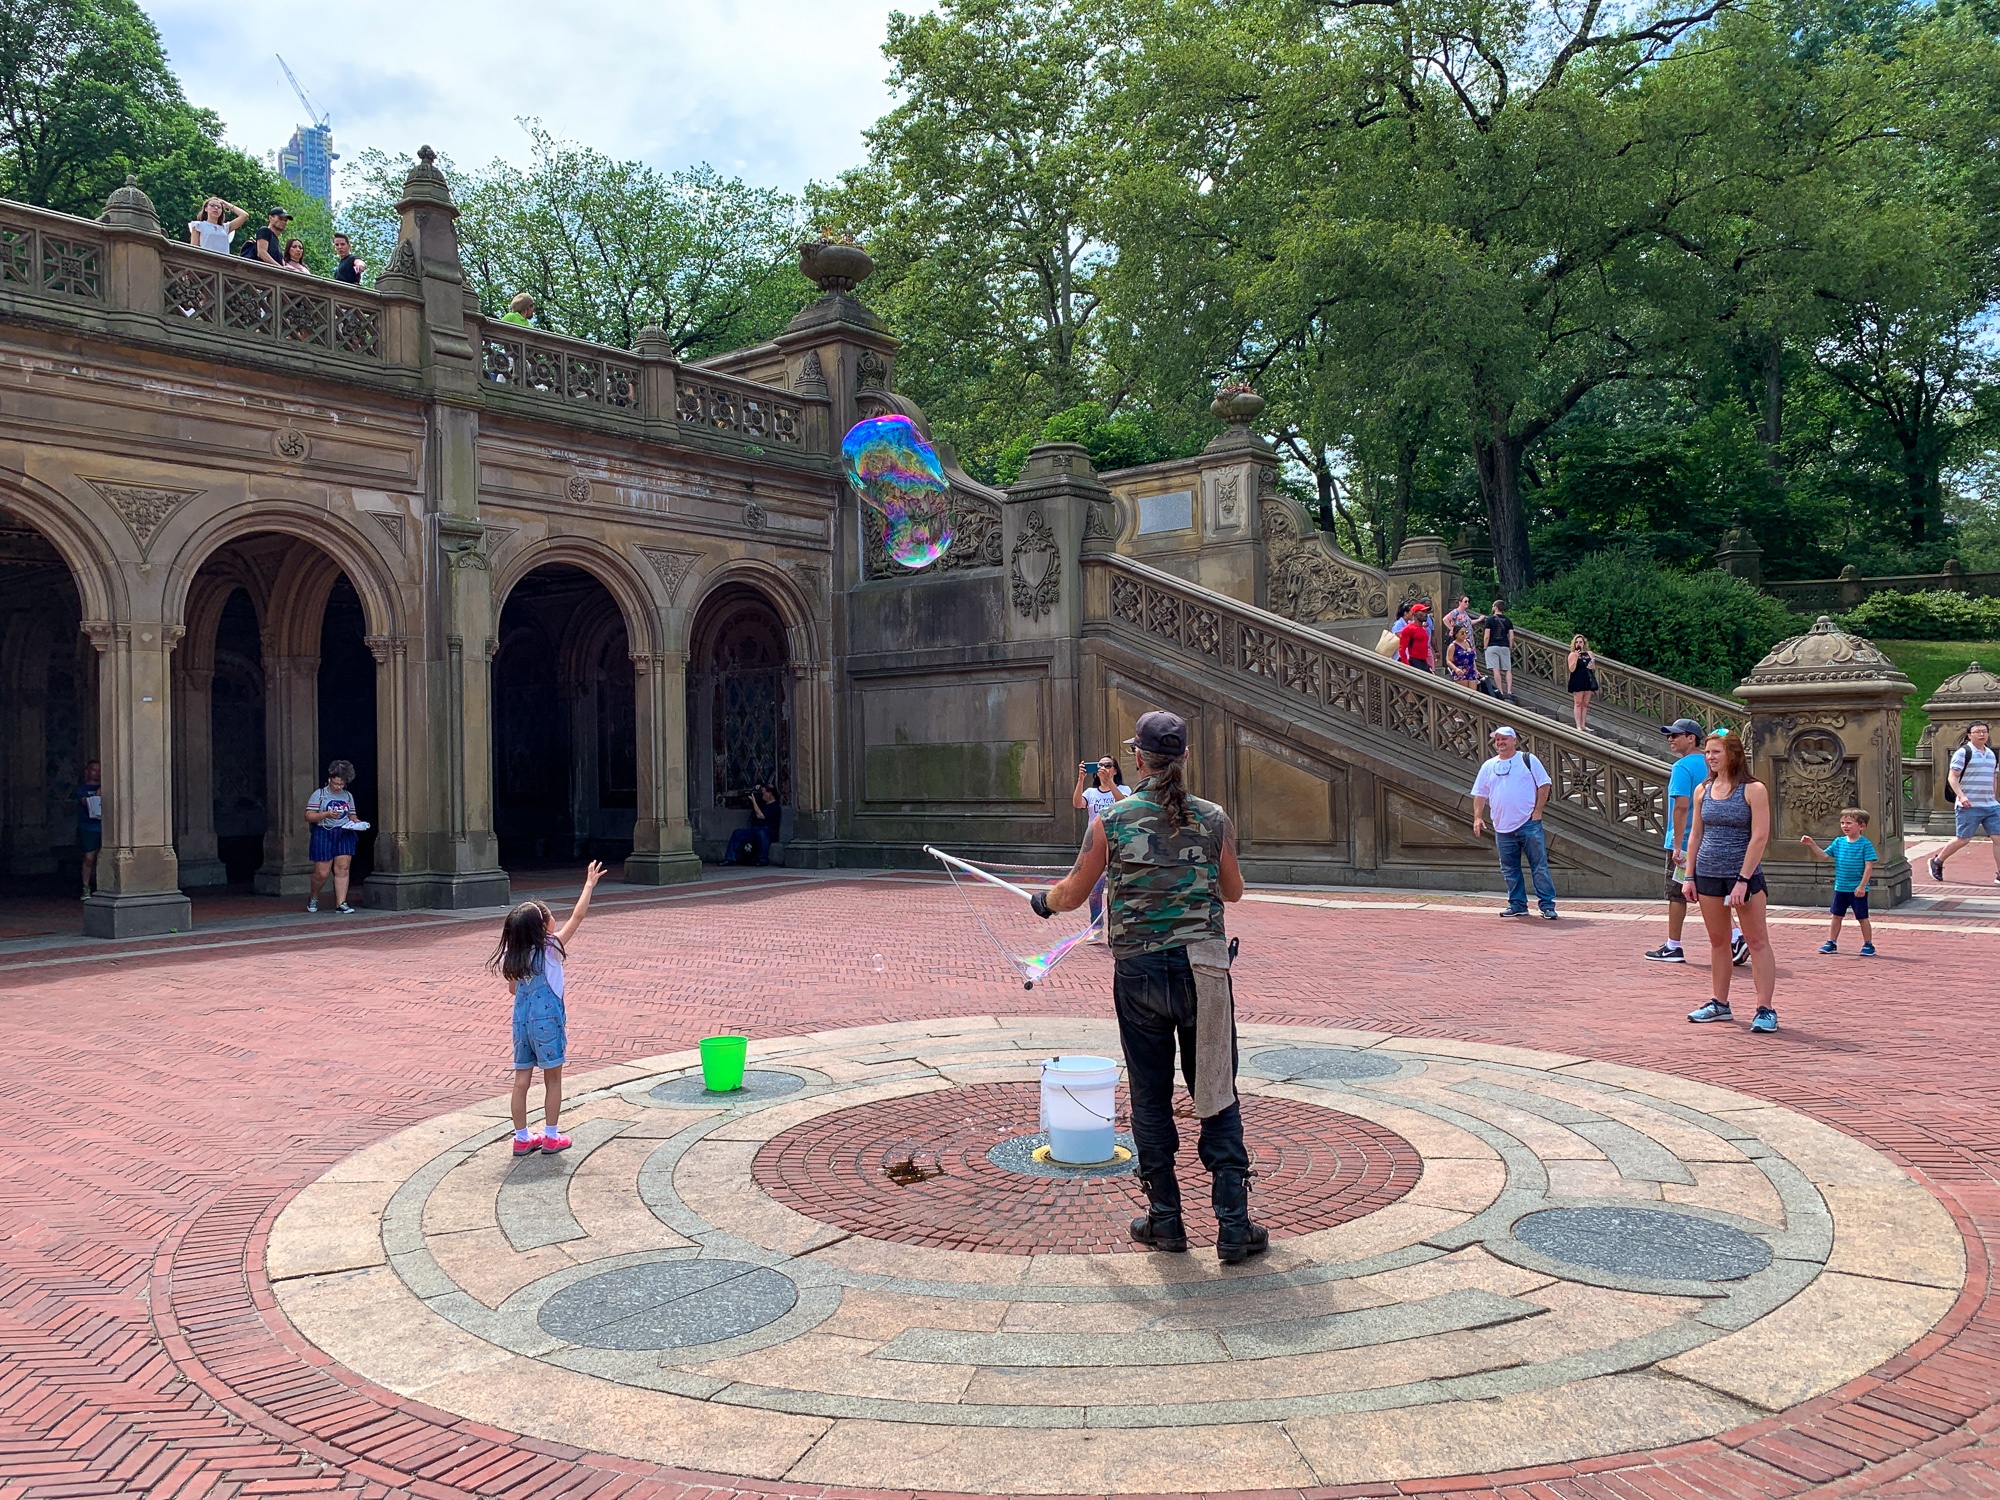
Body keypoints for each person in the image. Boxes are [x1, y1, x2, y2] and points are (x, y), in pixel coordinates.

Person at [1032, 711, 1262, 1264]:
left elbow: (1072, 893)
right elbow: (1233, 892)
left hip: (1138, 972)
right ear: (1184, 757)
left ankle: (1166, 1220)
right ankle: (1233, 1224)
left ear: (1138, 758)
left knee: (1150, 1098)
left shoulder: (1112, 819)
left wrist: (1043, 900)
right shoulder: (1213, 818)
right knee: (1215, 1090)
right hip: (1204, 971)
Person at [491, 861, 605, 1157]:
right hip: (547, 1023)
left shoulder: (512, 955)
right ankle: (552, 1136)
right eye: (551, 916)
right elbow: (578, 917)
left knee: (522, 1081)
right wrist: (589, 885)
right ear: (542, 927)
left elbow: (513, 989)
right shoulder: (550, 948)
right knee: (552, 1079)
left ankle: (521, 1137)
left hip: (521, 1024)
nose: (555, 919)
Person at [1684, 731, 1779, 1032]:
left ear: (1733, 754)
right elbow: (1696, 834)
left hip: (1743, 875)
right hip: (1708, 873)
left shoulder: (1753, 790)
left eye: (1716, 752)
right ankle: (1719, 1003)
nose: (1710, 757)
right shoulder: (1703, 790)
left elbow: (1759, 836)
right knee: (1718, 941)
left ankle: (1765, 1008)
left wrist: (1743, 879)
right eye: (1708, 753)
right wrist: (1689, 876)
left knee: (1756, 940)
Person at [1645, 720, 1746, 967]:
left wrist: (1677, 844)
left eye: (1676, 735)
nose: (1671, 740)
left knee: (1678, 893)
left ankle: (1674, 945)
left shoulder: (1682, 767)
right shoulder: (1714, 765)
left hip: (1688, 838)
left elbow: (1680, 806)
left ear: (1692, 738)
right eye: (1669, 736)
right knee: (1709, 892)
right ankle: (1735, 936)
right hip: (1712, 838)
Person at [1471, 726, 1556, 919]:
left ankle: (1547, 905)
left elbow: (1544, 784)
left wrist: (1537, 811)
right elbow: (1480, 794)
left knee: (1539, 866)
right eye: (1497, 740)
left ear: (1514, 740)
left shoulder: (1527, 759)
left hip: (1528, 823)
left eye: (1504, 739)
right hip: (1501, 826)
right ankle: (1517, 904)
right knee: (1509, 868)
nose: (1500, 743)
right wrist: (1477, 817)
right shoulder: (1488, 766)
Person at [1929, 722, 1998, 885]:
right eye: (1978, 732)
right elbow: (1952, 777)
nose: (1982, 735)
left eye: (1984, 732)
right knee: (1963, 839)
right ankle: (1937, 861)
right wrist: (1961, 796)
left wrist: (1994, 797)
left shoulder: (1991, 754)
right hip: (1969, 805)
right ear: (1969, 735)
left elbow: (1994, 776)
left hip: (1991, 805)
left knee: (1998, 838)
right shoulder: (1963, 753)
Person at [1803, 809, 1877, 957]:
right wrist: (1812, 844)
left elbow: (1869, 866)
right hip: (1841, 887)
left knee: (1862, 917)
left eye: (1849, 823)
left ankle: (1868, 944)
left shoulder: (1865, 844)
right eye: (1842, 823)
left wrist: (1862, 885)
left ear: (1861, 826)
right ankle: (1832, 942)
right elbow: (1824, 855)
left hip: (1857, 888)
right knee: (1836, 916)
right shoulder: (1838, 842)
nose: (1845, 826)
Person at [1073, 755, 1130, 938]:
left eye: (1108, 765)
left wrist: (1110, 783)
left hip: (1118, 845)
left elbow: (1124, 805)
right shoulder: (1091, 792)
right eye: (1100, 765)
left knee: (1121, 890)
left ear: (1115, 769)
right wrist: (1080, 780)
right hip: (1096, 845)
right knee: (1095, 891)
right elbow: (1077, 803)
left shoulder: (1124, 789)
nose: (1104, 767)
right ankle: (1096, 928)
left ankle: (1119, 930)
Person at [304, 760, 365, 913]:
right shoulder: (319, 794)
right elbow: (309, 816)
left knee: (343, 867)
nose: (339, 787)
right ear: (330, 778)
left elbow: (351, 814)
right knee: (322, 872)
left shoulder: (348, 796)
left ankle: (341, 903)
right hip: (323, 832)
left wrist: (356, 821)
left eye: (342, 784)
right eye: (336, 783)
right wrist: (326, 814)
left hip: (344, 832)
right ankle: (314, 896)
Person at [724, 782, 780, 865]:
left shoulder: (775, 807)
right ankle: (730, 858)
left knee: (762, 833)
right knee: (737, 833)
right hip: (755, 830)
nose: (762, 795)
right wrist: (757, 788)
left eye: (764, 793)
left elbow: (760, 815)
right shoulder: (761, 803)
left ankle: (763, 859)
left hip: (768, 831)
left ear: (770, 794)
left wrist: (754, 801)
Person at [76, 759, 102, 900]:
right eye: (93, 770)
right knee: (89, 857)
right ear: (87, 771)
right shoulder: (82, 789)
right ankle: (86, 887)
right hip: (88, 826)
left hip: (103, 826)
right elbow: (87, 803)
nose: (96, 773)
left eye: (99, 770)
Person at [1482, 600, 1516, 700]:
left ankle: (1500, 691)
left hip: (1492, 646)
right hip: (1504, 646)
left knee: (1496, 669)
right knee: (1508, 670)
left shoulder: (1490, 619)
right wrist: (1510, 646)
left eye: (1493, 606)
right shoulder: (1508, 620)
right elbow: (1512, 637)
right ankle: (1509, 691)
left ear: (1496, 607)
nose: (1492, 607)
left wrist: (1485, 646)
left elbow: (1487, 636)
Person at [1566, 635, 1598, 731]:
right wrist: (1576, 656)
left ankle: (1583, 724)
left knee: (1585, 703)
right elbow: (1571, 669)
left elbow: (1594, 667)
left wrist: (1592, 665)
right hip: (1578, 678)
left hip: (1587, 678)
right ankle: (1578, 725)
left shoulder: (1589, 654)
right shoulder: (1572, 654)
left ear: (1584, 643)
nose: (1579, 644)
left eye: (1580, 642)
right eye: (1577, 642)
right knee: (1578, 702)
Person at [1397, 602, 1433, 672]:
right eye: (1423, 611)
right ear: (1415, 614)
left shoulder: (1423, 629)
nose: (1425, 614)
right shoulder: (1409, 629)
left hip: (1424, 662)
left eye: (1426, 612)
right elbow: (1402, 648)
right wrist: (1406, 665)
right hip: (1415, 662)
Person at [1445, 623, 1482, 689]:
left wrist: (1476, 670)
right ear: (1456, 634)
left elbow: (1472, 659)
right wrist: (1456, 669)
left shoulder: (1468, 642)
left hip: (1471, 670)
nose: (1464, 634)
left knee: (1474, 693)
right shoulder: (1453, 646)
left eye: (1466, 632)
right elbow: (1448, 660)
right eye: (1462, 633)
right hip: (1460, 670)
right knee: (1465, 692)